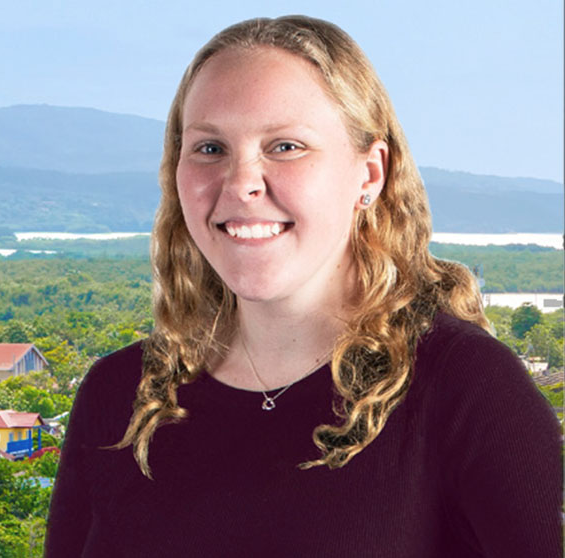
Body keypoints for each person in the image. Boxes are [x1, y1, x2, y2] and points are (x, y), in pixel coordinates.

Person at [45, 16, 562, 557]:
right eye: (209, 148)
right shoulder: (118, 396)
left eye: (286, 146)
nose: (242, 183)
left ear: (369, 174)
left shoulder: (468, 391)